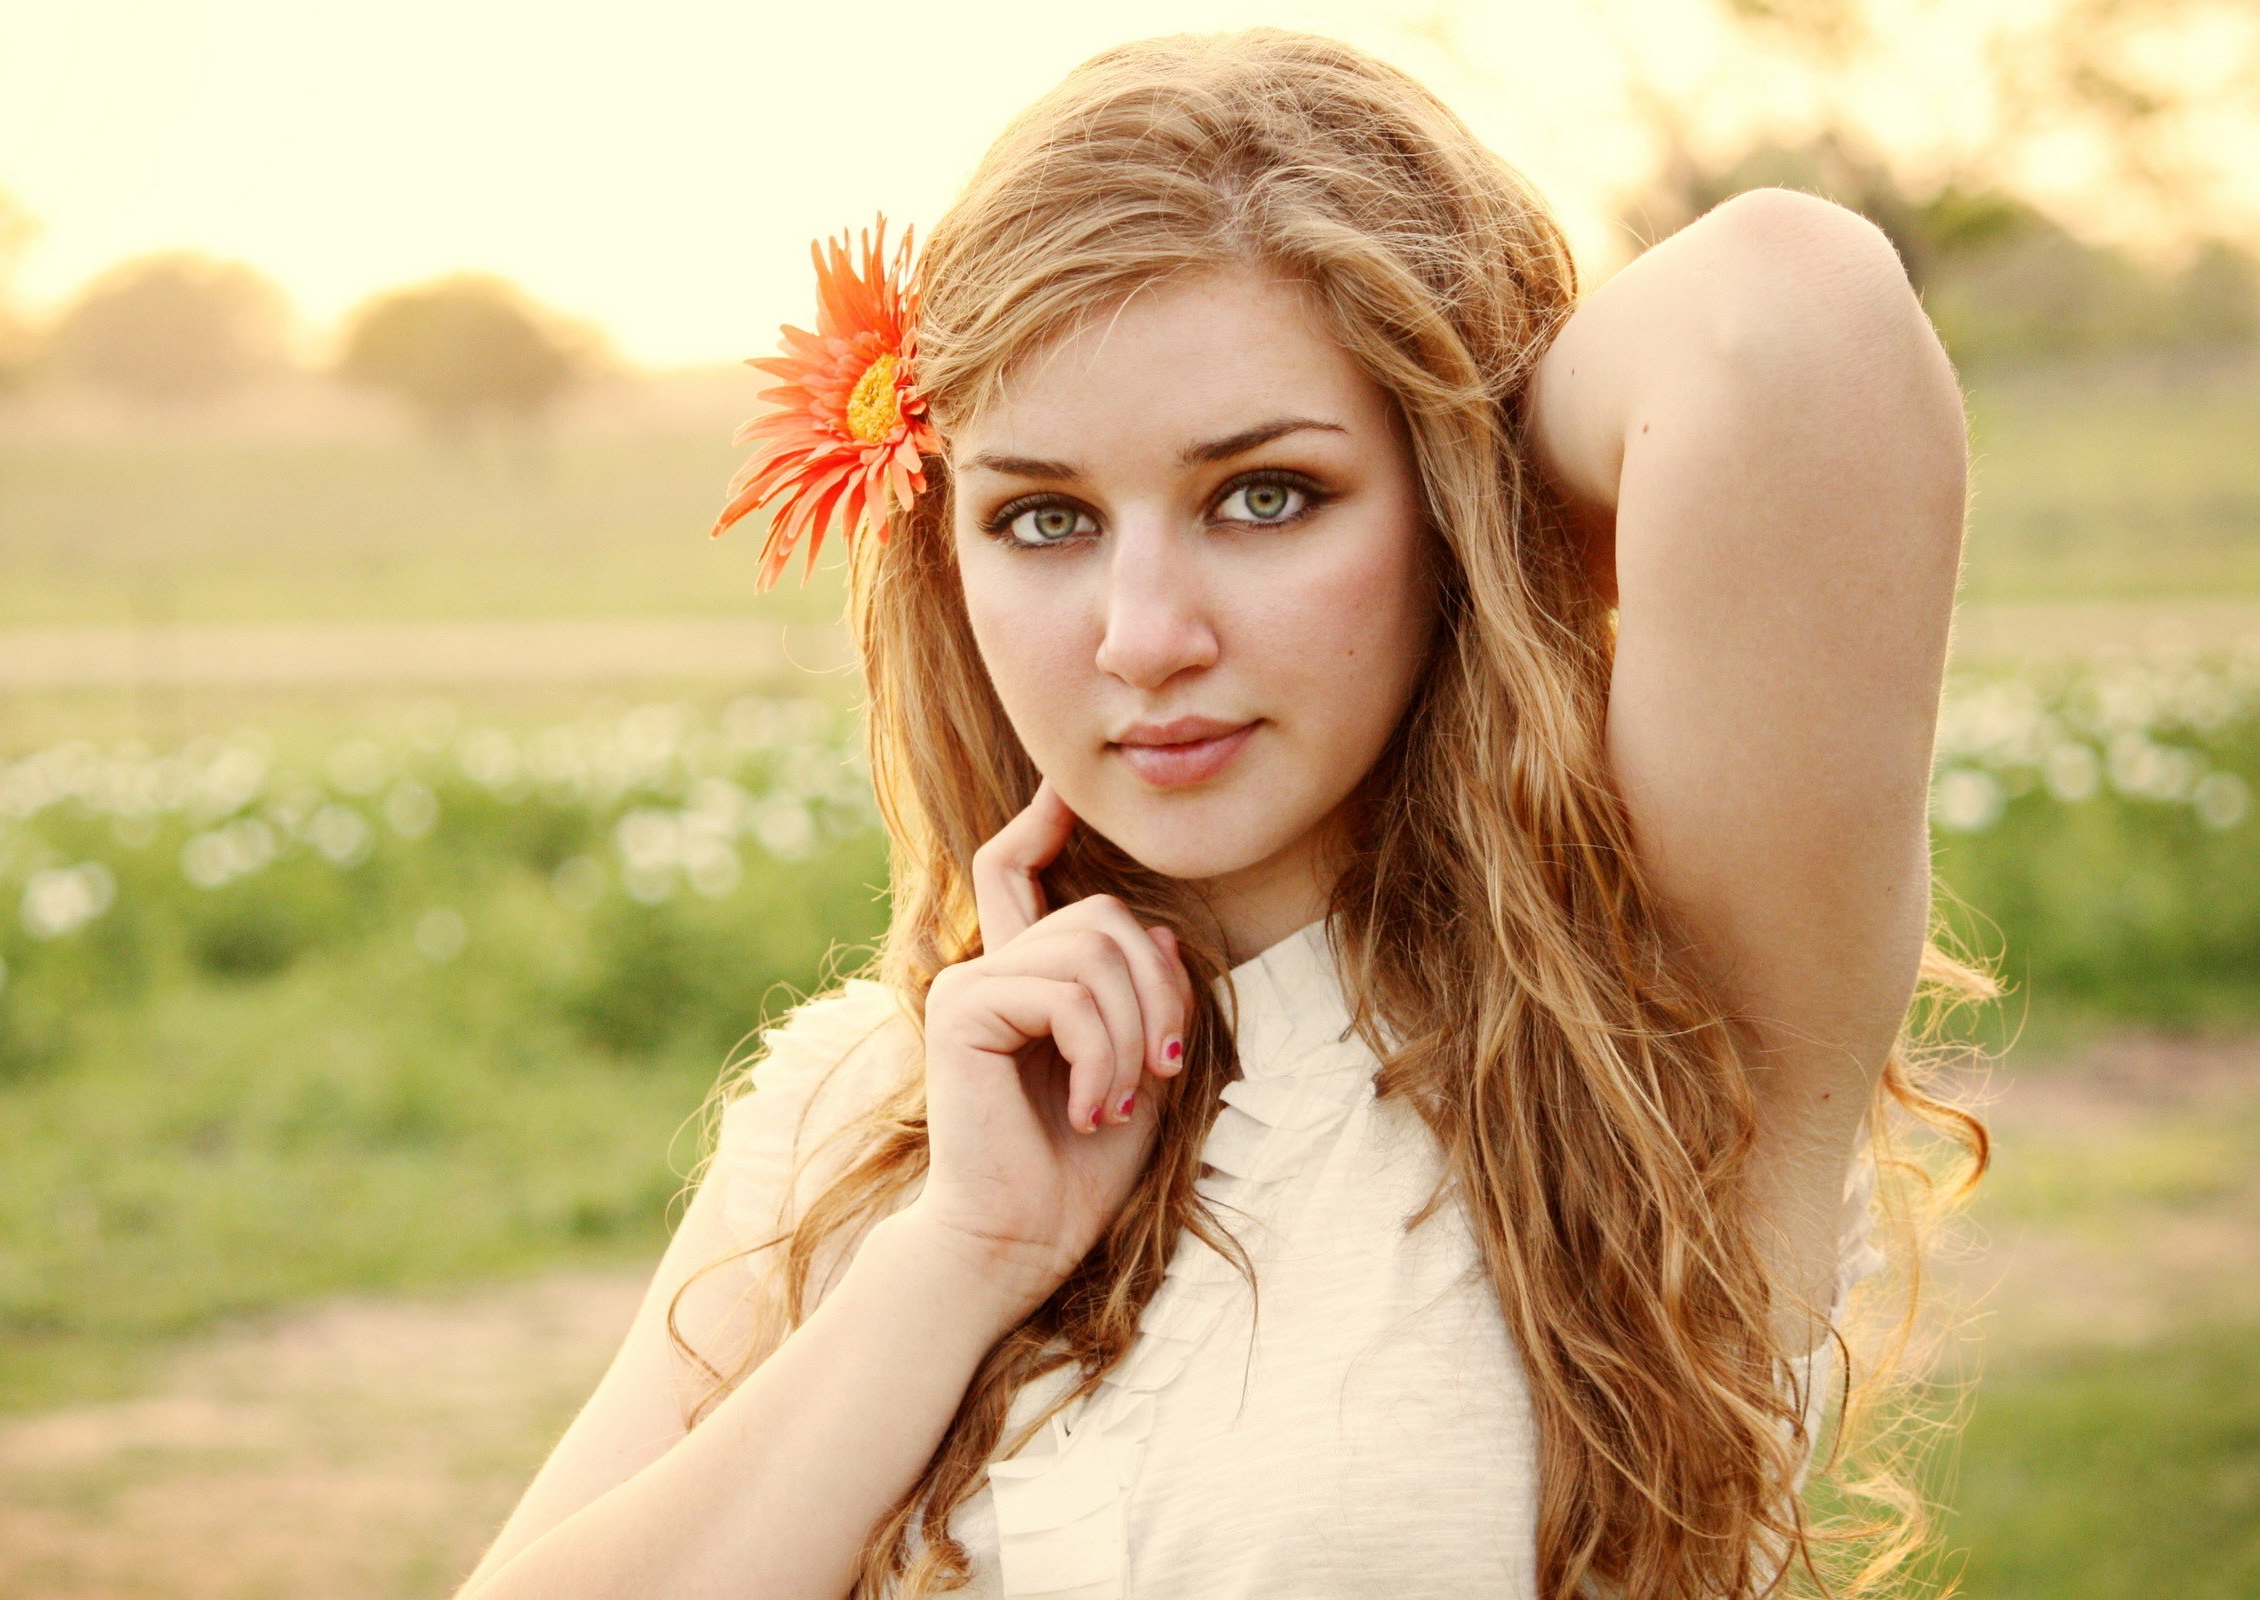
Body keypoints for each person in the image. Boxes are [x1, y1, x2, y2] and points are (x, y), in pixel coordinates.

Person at [455, 27, 1990, 1600]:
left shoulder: (1664, 1012)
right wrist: (962, 1261)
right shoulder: (874, 1110)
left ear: (1446, 498)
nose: (1142, 633)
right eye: (1044, 517)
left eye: (1265, 495)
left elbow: (1788, 318)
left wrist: (1452, 432)